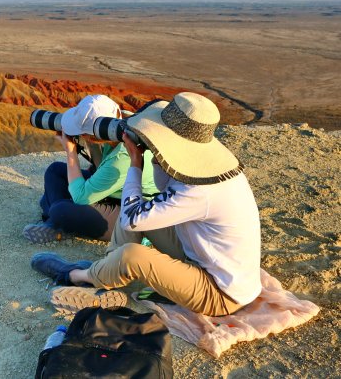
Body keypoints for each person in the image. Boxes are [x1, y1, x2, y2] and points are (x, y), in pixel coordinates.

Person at [31, 92, 262, 317]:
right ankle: (104, 273)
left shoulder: (199, 189)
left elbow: (133, 219)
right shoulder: (206, 169)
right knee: (136, 212)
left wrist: (135, 161)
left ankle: (75, 276)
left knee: (133, 251)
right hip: (199, 258)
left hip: (219, 293)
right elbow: (159, 191)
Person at [23, 95, 159, 244]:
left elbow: (81, 197)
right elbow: (98, 167)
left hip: (134, 212)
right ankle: (62, 221)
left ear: (92, 136)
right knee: (55, 171)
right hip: (115, 192)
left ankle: (58, 221)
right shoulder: (121, 127)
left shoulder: (122, 158)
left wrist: (71, 152)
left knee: (59, 209)